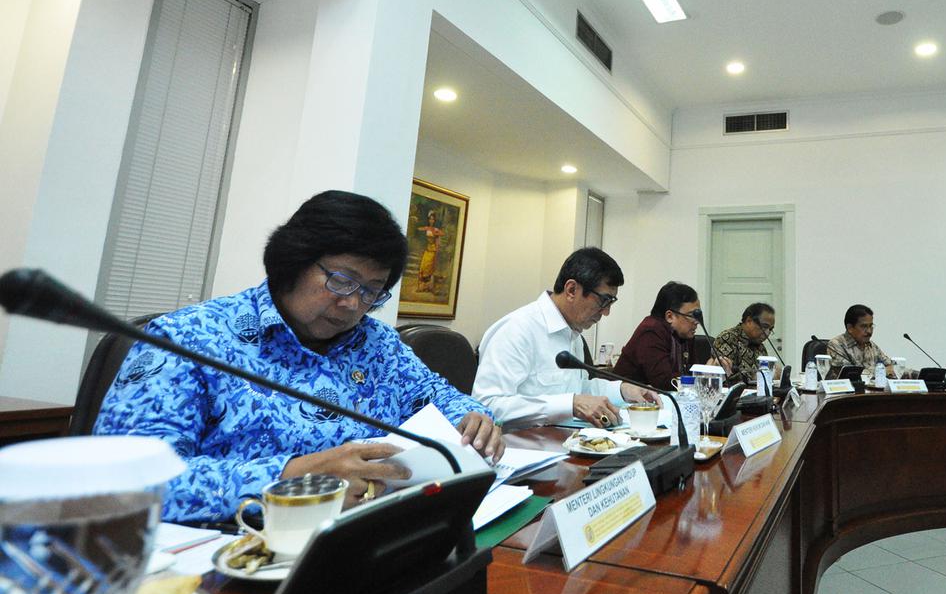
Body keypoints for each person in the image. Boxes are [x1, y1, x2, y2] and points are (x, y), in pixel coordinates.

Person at [95, 191, 503, 523]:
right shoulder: (186, 340)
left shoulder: (376, 342)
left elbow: (438, 396)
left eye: (371, 291)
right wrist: (297, 477)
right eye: (342, 281)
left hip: (375, 535)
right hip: (238, 555)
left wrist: (472, 418)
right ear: (294, 260)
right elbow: (124, 483)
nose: (352, 305)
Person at [472, 247, 657, 428]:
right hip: (519, 444)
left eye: (611, 303)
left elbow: (579, 390)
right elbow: (486, 405)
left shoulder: (574, 335)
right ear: (571, 290)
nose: (606, 312)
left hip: (566, 440)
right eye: (603, 301)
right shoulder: (517, 329)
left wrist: (623, 390)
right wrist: (570, 404)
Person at [612, 281, 731, 390]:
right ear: (670, 316)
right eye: (692, 315)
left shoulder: (684, 334)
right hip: (627, 401)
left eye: (698, 315)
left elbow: (691, 371)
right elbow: (664, 382)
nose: (697, 322)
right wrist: (703, 376)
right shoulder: (651, 331)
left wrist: (711, 371)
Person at [826, 304, 898, 378]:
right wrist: (881, 371)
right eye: (864, 326)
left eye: (871, 326)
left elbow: (890, 366)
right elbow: (850, 374)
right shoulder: (836, 345)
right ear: (850, 328)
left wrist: (887, 370)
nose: (869, 331)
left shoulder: (871, 345)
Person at [712, 302, 776, 385]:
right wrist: (756, 376)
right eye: (764, 326)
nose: (767, 333)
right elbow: (725, 377)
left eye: (770, 329)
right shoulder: (727, 338)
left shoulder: (760, 346)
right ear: (749, 321)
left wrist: (772, 373)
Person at [415, 209, 444, 293]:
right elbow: (419, 229)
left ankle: (428, 287)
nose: (431, 220)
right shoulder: (427, 228)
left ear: (434, 220)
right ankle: (421, 287)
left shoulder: (436, 229)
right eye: (430, 219)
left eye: (433, 219)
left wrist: (435, 233)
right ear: (428, 220)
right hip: (427, 250)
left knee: (429, 269)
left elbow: (442, 233)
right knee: (422, 267)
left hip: (433, 251)